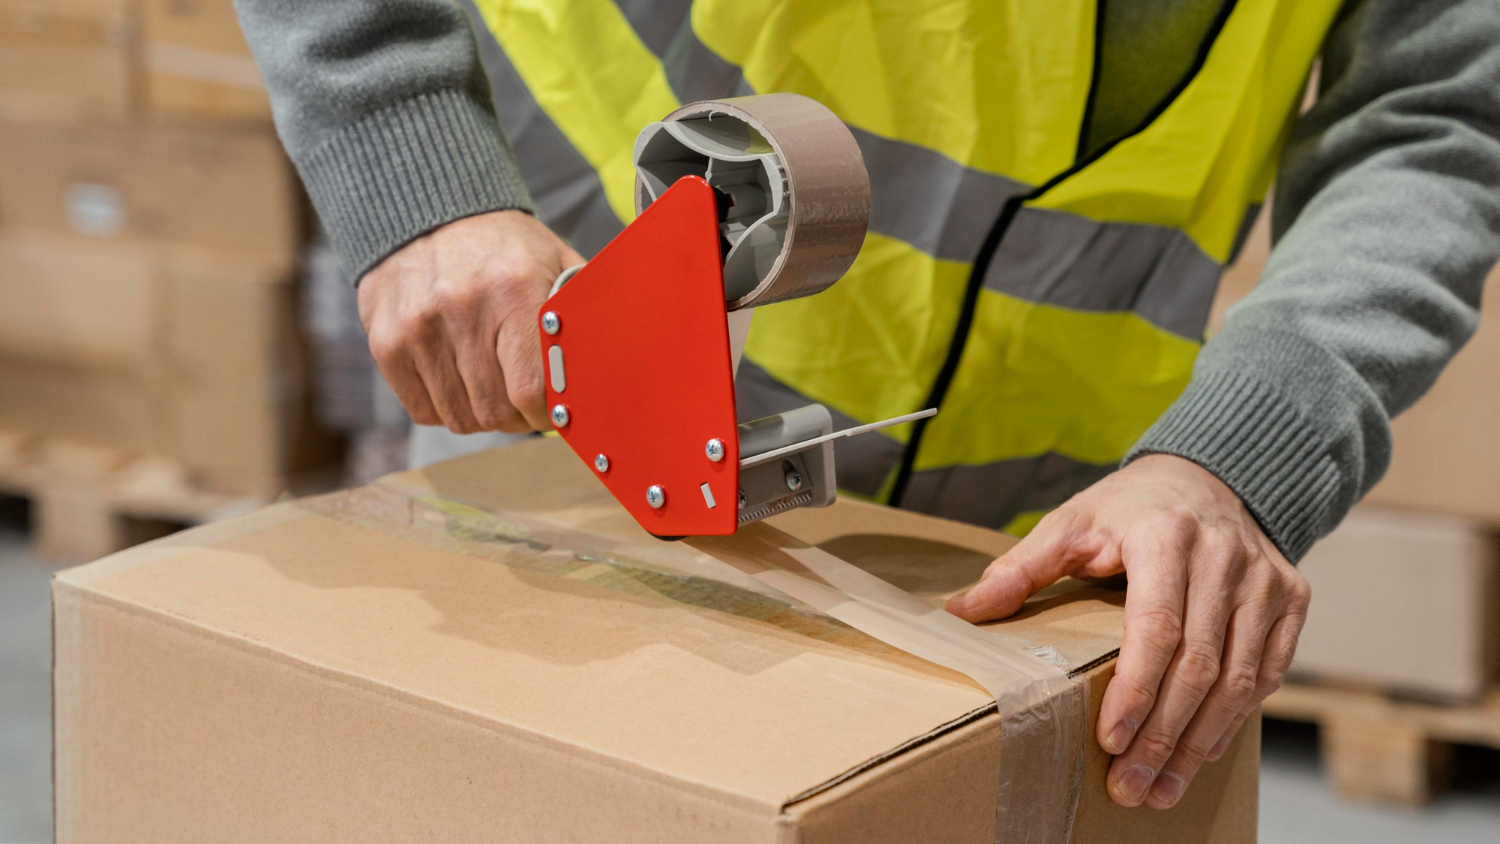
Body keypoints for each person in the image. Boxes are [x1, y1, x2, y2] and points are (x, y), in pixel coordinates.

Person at [234, 0, 1500, 811]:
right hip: (559, 389)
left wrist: (1239, 454)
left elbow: (1440, 114)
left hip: (1026, 536)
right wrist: (412, 163)